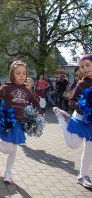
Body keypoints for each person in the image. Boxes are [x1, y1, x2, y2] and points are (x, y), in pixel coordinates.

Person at [0, 61, 42, 184]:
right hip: (7, 121)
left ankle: (8, 173)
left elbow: (35, 101)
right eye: (18, 73)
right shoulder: (6, 87)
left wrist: (39, 112)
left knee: (13, 149)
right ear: (12, 74)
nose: (22, 76)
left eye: (24, 73)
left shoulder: (26, 90)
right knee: (8, 149)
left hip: (19, 123)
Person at [53, 54, 92, 189]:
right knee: (73, 145)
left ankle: (83, 176)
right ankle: (62, 118)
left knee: (89, 149)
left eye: (88, 65)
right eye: (82, 67)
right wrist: (84, 108)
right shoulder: (82, 84)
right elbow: (71, 101)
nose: (85, 69)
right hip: (81, 117)